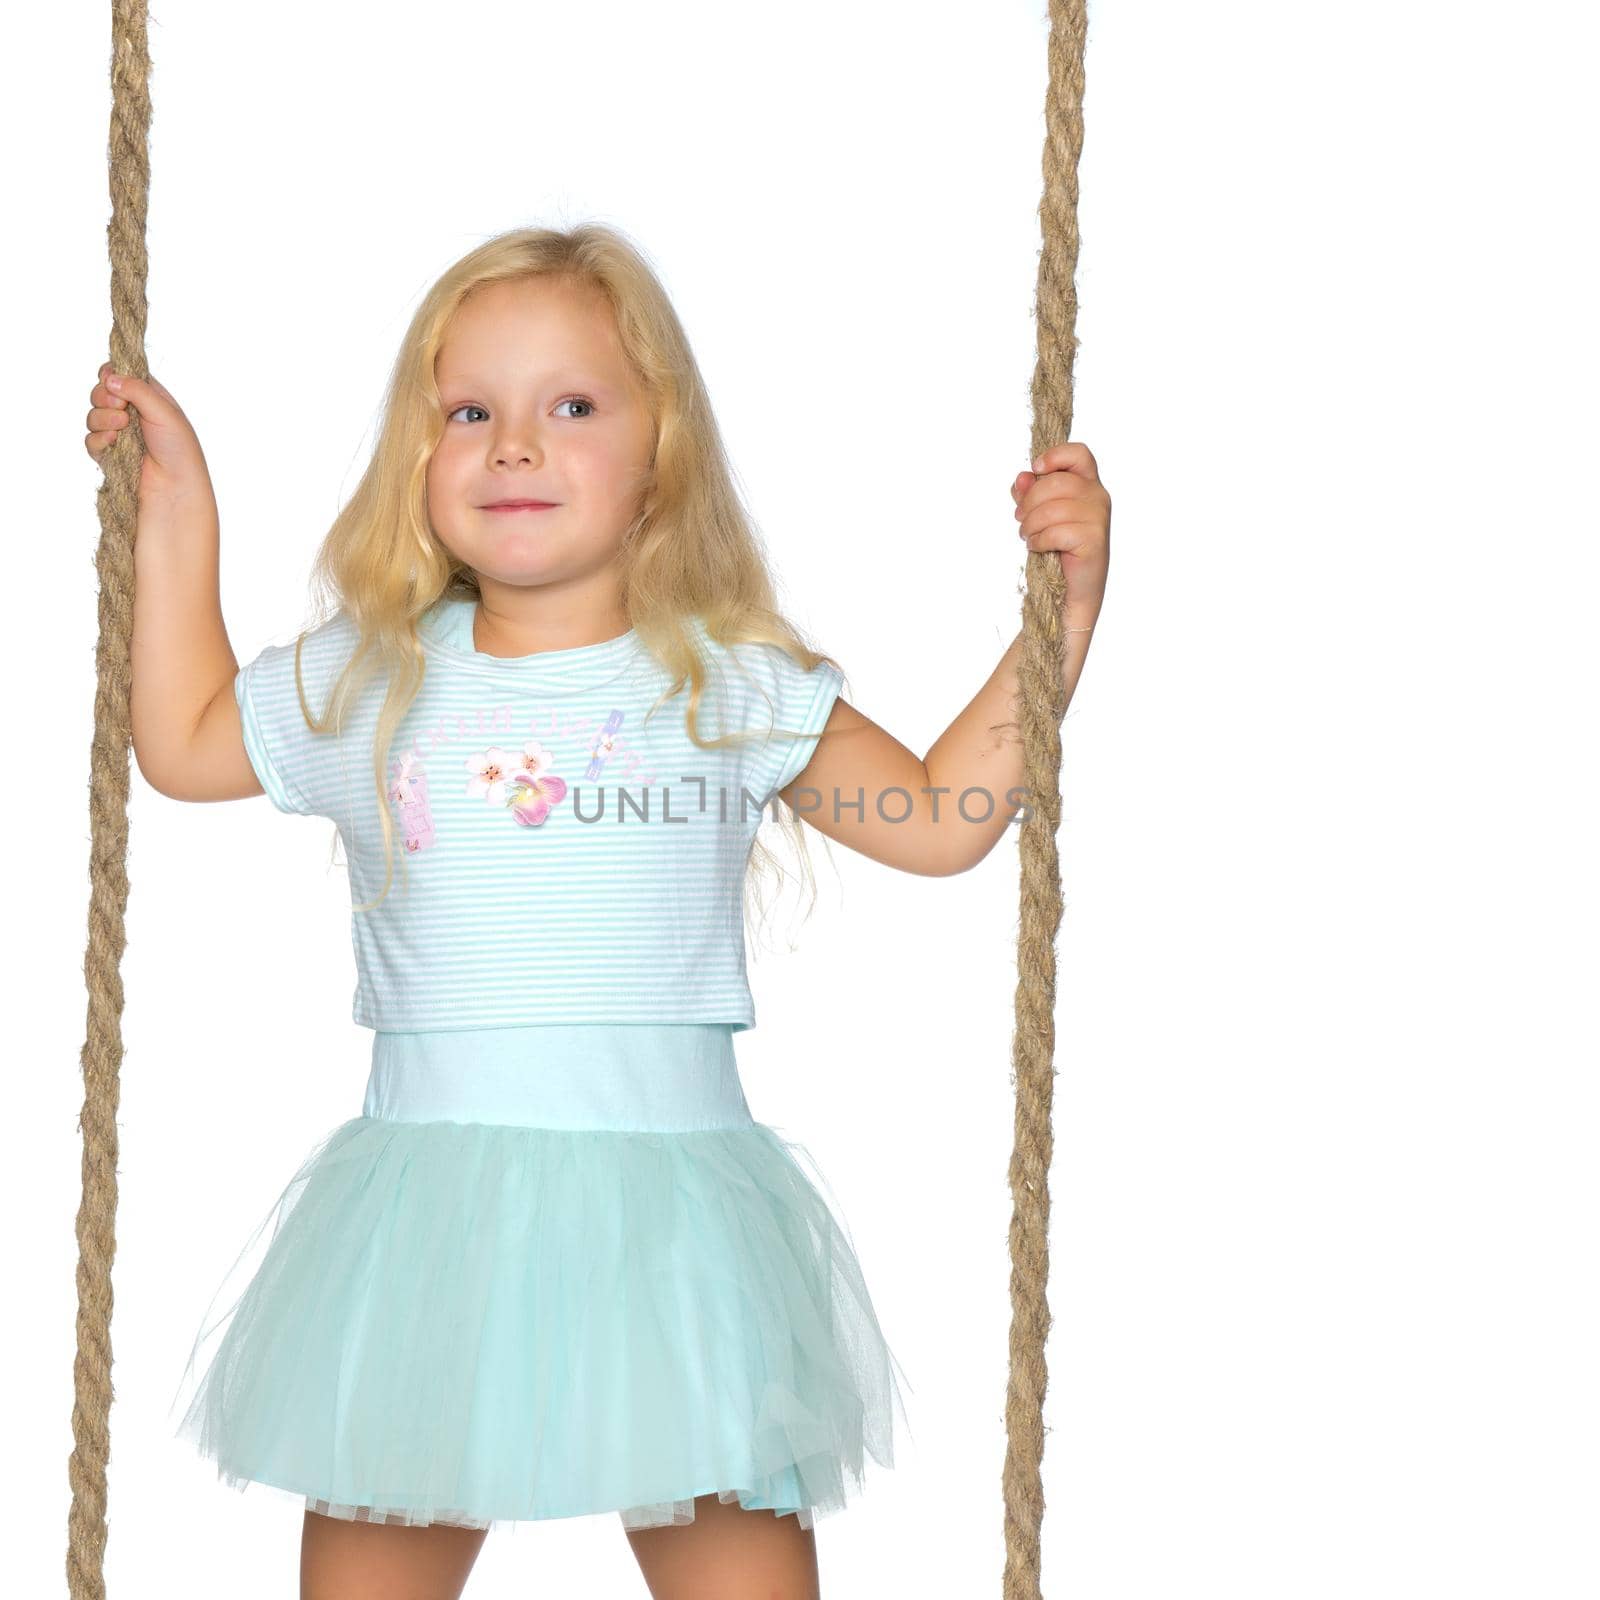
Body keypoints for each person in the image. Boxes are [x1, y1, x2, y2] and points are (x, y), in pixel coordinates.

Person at [84, 222, 1111, 1600]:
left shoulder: (723, 684)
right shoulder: (376, 682)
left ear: (659, 466)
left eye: (570, 407)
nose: (514, 444)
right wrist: (178, 511)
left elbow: (935, 820)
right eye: (470, 412)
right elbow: (188, 740)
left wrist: (1068, 603)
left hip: (675, 1216)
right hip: (424, 1216)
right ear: (422, 459)